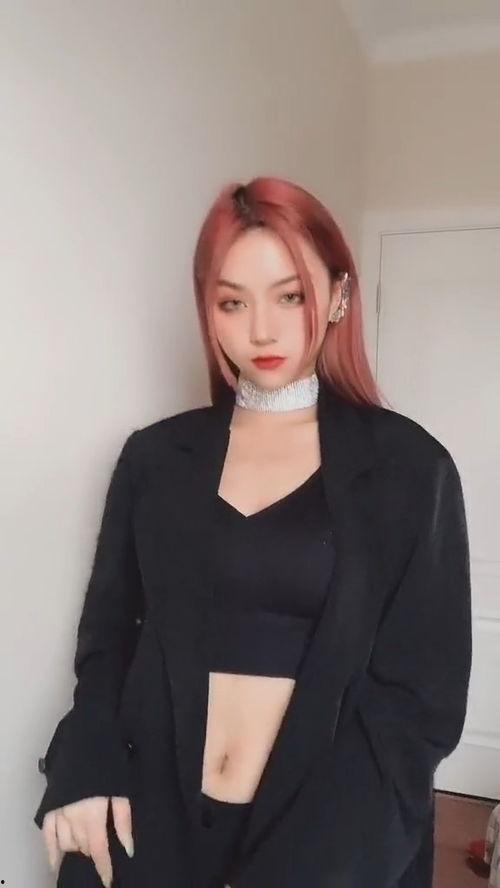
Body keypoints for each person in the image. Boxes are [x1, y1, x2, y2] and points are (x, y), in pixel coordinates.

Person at [34, 177, 472, 888]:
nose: (260, 330)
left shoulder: (410, 470)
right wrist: (86, 761)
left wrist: (330, 860)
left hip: (329, 839)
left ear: (338, 295)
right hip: (147, 821)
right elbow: (109, 637)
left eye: (289, 296)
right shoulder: (155, 458)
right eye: (232, 301)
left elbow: (420, 702)